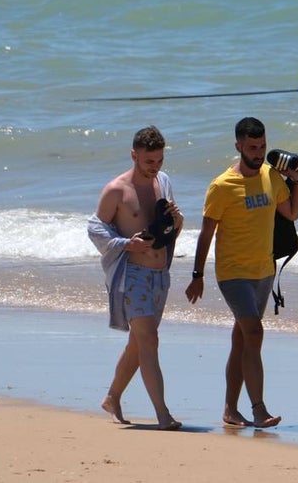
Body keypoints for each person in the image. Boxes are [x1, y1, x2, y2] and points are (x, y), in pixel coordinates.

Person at [185, 117, 298, 429]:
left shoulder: (270, 176)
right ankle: (259, 409)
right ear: (238, 145)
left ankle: (229, 409)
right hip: (233, 273)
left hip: (264, 271)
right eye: (252, 147)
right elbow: (206, 233)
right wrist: (197, 275)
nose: (259, 153)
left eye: (262, 146)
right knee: (254, 333)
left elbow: (291, 213)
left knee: (242, 340)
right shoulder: (222, 186)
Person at [87, 125, 184, 431]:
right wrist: (126, 244)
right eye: (148, 161)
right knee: (149, 340)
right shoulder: (116, 190)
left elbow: (168, 231)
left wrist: (178, 222)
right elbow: (95, 230)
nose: (155, 167)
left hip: (160, 275)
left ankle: (112, 397)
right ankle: (163, 414)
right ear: (134, 155)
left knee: (139, 343)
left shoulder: (163, 183)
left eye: (159, 160)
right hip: (133, 275)